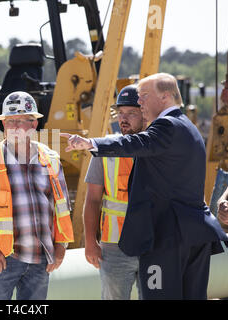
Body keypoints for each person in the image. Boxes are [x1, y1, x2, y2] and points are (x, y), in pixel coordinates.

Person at [61, 73, 228, 300]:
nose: (140, 103)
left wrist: (91, 143)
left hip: (166, 238)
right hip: (191, 234)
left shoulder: (166, 126)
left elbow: (138, 142)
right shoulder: (188, 128)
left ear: (165, 97)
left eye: (143, 97)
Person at [0, 91, 74, 300]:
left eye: (20, 121)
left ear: (33, 125)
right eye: (9, 121)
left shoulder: (51, 159)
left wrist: (60, 247)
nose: (13, 127)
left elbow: (61, 207)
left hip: (41, 257)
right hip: (3, 257)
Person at [84, 85, 143, 300]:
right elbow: (92, 200)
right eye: (121, 113)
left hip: (153, 243)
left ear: (145, 113)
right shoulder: (105, 149)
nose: (123, 119)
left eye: (132, 113)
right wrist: (90, 241)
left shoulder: (159, 147)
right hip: (114, 246)